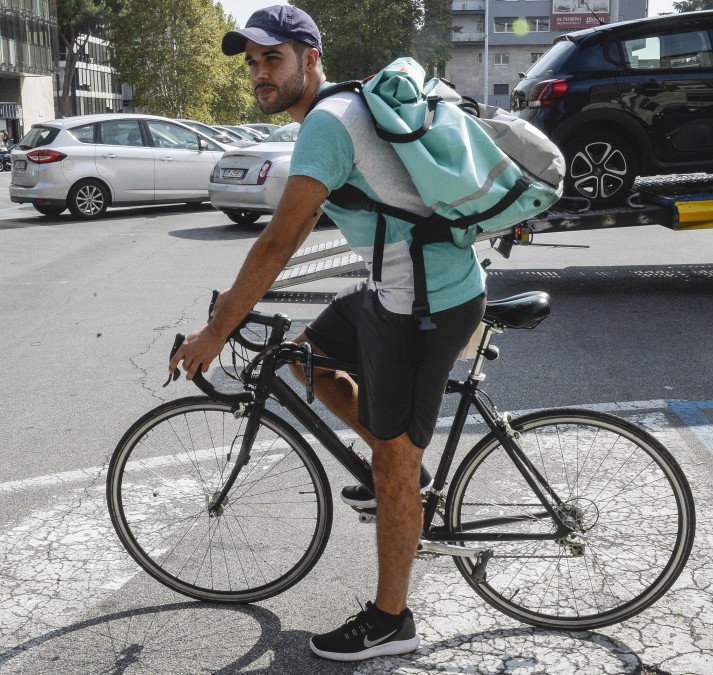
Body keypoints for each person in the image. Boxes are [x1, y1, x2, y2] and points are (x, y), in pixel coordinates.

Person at [168, 5, 486, 663]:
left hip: (425, 301)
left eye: (272, 59)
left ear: (311, 60)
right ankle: (401, 464)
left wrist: (216, 329)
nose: (259, 73)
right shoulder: (342, 107)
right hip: (398, 285)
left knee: (391, 461)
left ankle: (391, 618)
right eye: (252, 62)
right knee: (303, 356)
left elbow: (280, 240)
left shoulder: (325, 123)